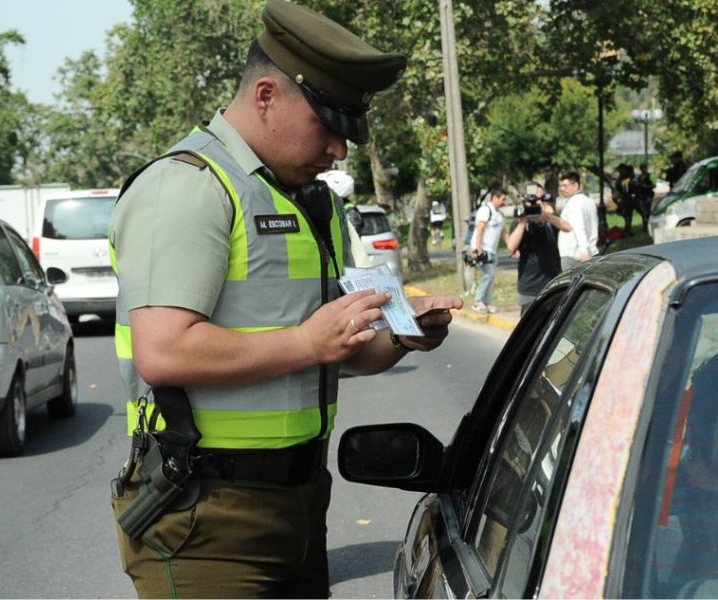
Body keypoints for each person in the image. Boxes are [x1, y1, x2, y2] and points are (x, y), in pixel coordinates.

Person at [107, 2, 462, 597]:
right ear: (266, 96)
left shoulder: (308, 199)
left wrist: (401, 337)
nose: (340, 150)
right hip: (204, 514)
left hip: (299, 500)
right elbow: (164, 352)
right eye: (327, 125)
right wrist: (307, 342)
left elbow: (337, 351)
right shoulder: (188, 187)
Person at [507, 184, 571, 315]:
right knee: (531, 326)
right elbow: (511, 247)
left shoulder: (549, 219)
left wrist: (546, 216)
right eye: (532, 198)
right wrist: (523, 223)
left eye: (539, 197)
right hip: (530, 287)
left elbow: (567, 227)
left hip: (553, 284)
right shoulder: (519, 222)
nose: (536, 201)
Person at [470, 187, 508, 314]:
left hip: (492, 251)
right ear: (495, 198)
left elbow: (504, 232)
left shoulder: (500, 215)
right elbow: (480, 229)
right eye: (503, 199)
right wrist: (478, 248)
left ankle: (487, 303)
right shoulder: (485, 210)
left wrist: (512, 248)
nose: (504, 202)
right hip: (482, 249)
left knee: (491, 276)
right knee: (488, 274)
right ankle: (477, 301)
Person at [557, 171, 598, 271]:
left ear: (575, 186)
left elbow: (579, 228)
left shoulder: (574, 203)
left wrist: (584, 251)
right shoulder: (589, 201)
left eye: (565, 186)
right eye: (561, 186)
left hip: (575, 256)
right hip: (592, 252)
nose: (562, 189)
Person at [635, 163, 655, 230]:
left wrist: (647, 186)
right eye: (642, 168)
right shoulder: (639, 177)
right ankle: (645, 225)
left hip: (648, 195)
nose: (643, 170)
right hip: (641, 195)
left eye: (644, 168)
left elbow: (654, 185)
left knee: (648, 211)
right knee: (643, 211)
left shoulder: (650, 176)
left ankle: (648, 225)